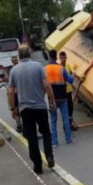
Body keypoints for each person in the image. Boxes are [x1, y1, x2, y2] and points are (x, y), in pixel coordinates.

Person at [8, 45, 56, 175]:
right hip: (40, 107)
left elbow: (11, 92)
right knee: (46, 132)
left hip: (25, 110)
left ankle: (38, 166)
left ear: (19, 56)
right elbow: (47, 85)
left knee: (32, 137)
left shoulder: (14, 71)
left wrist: (13, 108)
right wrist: (52, 100)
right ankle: (49, 156)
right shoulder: (38, 66)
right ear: (30, 54)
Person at [45, 49, 75, 146]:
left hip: (52, 99)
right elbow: (70, 80)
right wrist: (73, 74)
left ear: (49, 57)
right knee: (65, 118)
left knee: (53, 120)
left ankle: (54, 142)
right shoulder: (61, 68)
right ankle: (68, 140)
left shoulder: (45, 69)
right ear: (56, 57)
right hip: (62, 97)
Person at [58, 51, 78, 131]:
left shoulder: (67, 65)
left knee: (70, 108)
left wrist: (79, 77)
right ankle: (65, 125)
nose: (63, 59)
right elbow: (71, 77)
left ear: (66, 57)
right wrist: (73, 74)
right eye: (61, 58)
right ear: (59, 58)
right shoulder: (59, 68)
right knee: (64, 109)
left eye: (64, 57)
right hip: (62, 92)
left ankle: (69, 124)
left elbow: (71, 74)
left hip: (68, 91)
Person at [9, 56, 23, 133]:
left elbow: (10, 84)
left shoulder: (13, 70)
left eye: (16, 59)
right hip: (18, 92)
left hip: (18, 92)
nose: (15, 61)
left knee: (16, 109)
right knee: (17, 109)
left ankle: (20, 125)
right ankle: (19, 125)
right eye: (14, 60)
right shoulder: (20, 68)